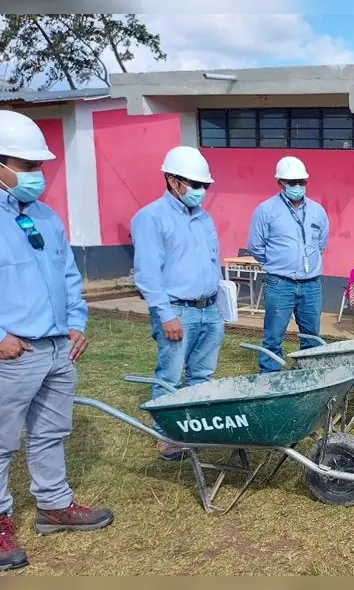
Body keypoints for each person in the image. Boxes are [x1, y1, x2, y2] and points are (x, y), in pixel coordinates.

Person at [0, 110, 113, 572]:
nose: (36, 175)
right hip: (14, 351)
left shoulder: (45, 216)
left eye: (38, 166)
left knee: (51, 432)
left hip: (56, 348)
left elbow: (68, 274)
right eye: (25, 166)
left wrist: (77, 322)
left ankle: (53, 505)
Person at [131, 146, 224, 461]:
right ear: (172, 180)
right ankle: (167, 436)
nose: (200, 191)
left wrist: (219, 305)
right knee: (169, 375)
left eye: (204, 186)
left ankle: (194, 429)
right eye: (194, 185)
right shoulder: (150, 218)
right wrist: (165, 314)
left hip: (209, 309)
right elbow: (147, 274)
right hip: (177, 310)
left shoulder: (204, 217)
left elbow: (213, 262)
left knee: (202, 375)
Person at [247, 156, 330, 372]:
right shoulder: (266, 210)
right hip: (280, 284)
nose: (298, 187)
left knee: (312, 337)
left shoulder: (317, 211)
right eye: (292, 183)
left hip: (311, 285)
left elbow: (320, 243)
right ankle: (271, 382)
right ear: (280, 183)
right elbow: (256, 246)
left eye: (302, 182)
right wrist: (279, 263)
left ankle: (310, 379)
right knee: (273, 337)